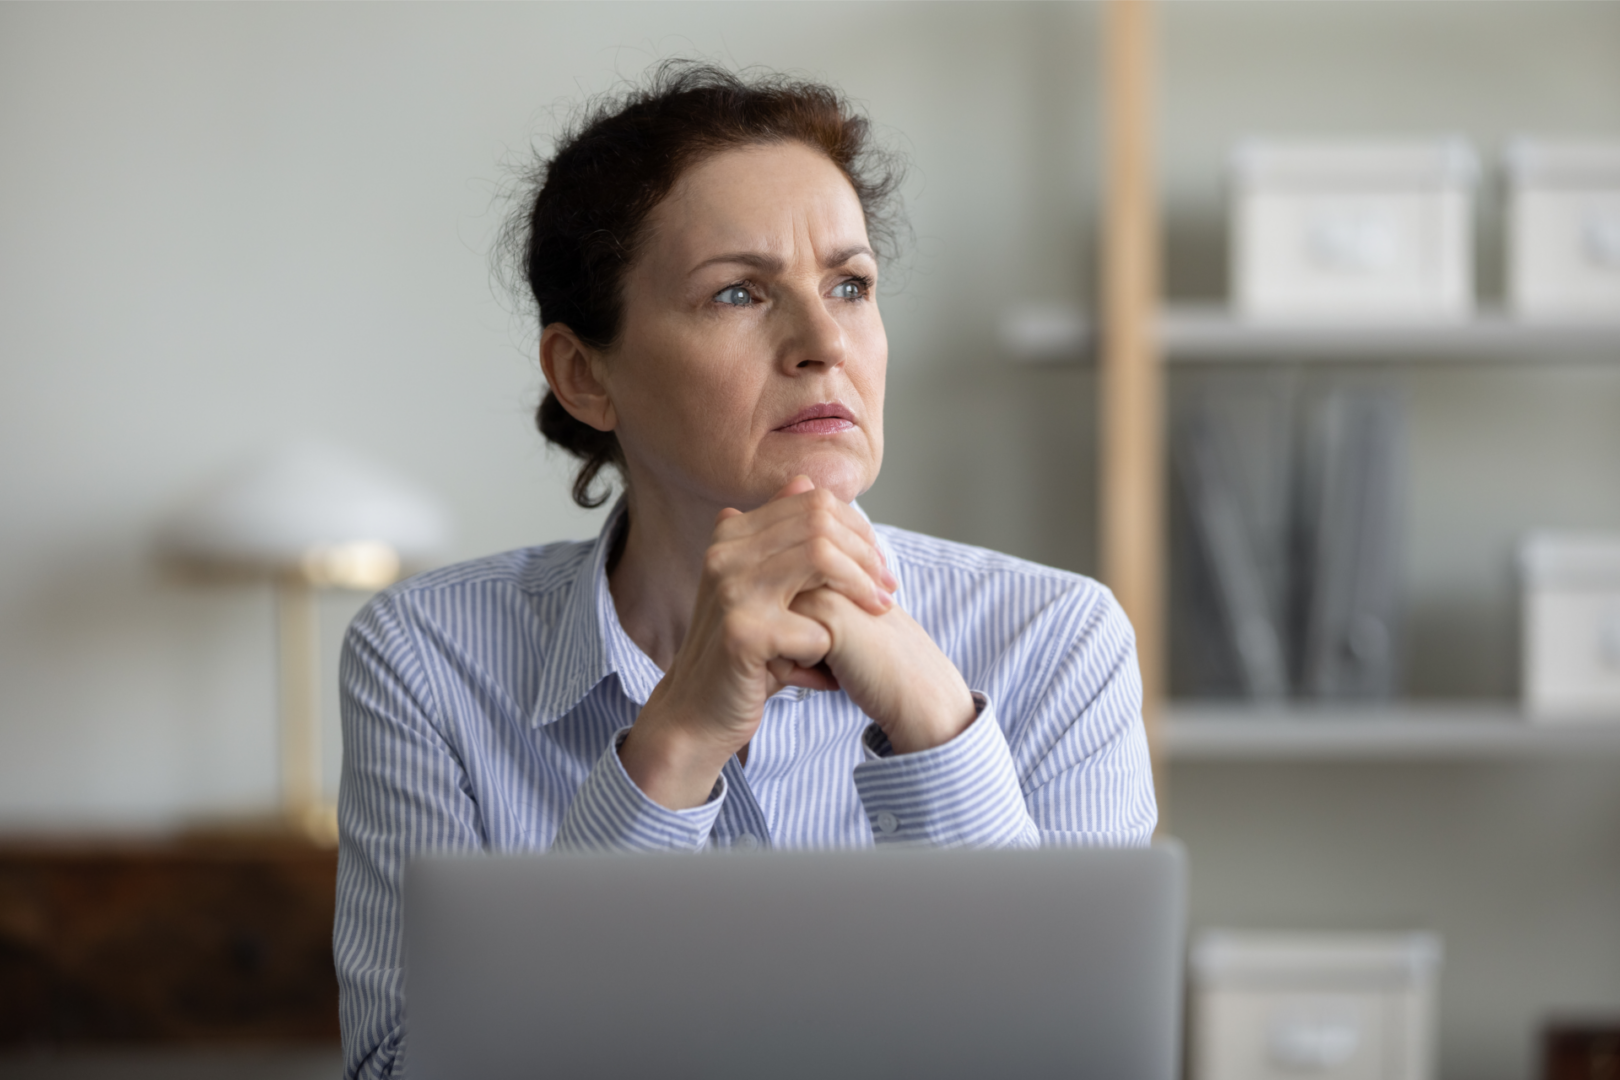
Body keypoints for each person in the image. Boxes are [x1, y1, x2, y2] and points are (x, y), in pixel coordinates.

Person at [333, 61, 1157, 1080]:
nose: (825, 344)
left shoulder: (1056, 640)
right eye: (738, 292)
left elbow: (1077, 1062)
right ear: (585, 376)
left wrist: (937, 726)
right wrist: (670, 750)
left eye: (850, 285)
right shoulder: (426, 658)